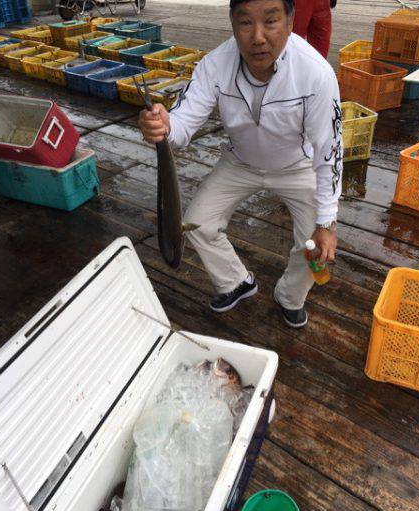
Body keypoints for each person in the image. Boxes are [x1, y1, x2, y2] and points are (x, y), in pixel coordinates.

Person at [139, 0, 342, 329]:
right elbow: (182, 126)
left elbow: (329, 151)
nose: (258, 37)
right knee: (197, 224)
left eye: (271, 21)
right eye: (245, 23)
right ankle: (236, 282)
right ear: (232, 24)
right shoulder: (214, 64)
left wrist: (327, 221)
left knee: (315, 245)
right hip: (240, 161)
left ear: (290, 22)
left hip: (297, 165)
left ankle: (290, 296)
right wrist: (163, 125)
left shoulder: (316, 73)